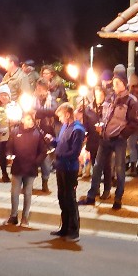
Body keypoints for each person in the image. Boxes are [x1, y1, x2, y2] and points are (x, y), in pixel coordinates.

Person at [81, 70, 138, 211]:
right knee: (97, 167)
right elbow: (104, 115)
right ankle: (91, 196)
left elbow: (137, 122)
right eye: (114, 83)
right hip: (105, 138)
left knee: (120, 168)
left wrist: (123, 134)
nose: (114, 85)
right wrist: (101, 127)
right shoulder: (110, 98)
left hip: (119, 140)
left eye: (117, 83)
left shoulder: (131, 101)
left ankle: (118, 199)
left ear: (124, 84)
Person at [5, 110, 48, 227]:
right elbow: (9, 147)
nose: (31, 121)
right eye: (29, 119)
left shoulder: (38, 133)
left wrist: (36, 162)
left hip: (31, 169)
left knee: (27, 193)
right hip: (17, 167)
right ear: (23, 120)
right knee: (14, 192)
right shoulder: (15, 132)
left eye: (33, 119)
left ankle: (25, 217)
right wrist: (9, 156)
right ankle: (13, 216)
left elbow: (43, 151)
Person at [52, 102, 86, 239]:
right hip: (60, 167)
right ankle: (64, 226)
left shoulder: (77, 129)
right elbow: (60, 143)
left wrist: (60, 155)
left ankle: (74, 229)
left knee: (70, 198)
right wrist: (52, 141)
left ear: (67, 114)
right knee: (61, 197)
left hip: (69, 169)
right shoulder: (65, 126)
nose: (59, 119)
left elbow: (74, 152)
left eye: (60, 116)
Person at [0, 88, 12, 182]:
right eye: (2, 95)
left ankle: (15, 173)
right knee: (3, 154)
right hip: (2, 135)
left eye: (6, 95)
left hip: (14, 135)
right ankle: (4, 173)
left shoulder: (14, 106)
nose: (4, 97)